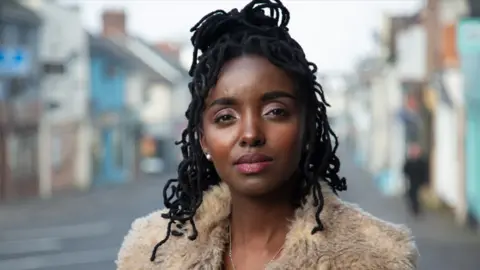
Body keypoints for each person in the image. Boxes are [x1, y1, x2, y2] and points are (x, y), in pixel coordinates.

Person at [116, 1, 418, 269]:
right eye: (225, 117)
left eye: (275, 111)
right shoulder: (149, 255)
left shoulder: (375, 258)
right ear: (203, 139)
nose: (250, 134)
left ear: (308, 128)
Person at [403, 143, 429, 217]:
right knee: (412, 195)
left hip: (420, 182)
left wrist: (425, 181)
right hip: (412, 181)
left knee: (419, 196)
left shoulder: (422, 162)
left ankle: (417, 209)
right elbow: (405, 171)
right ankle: (414, 209)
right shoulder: (409, 162)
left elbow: (425, 172)